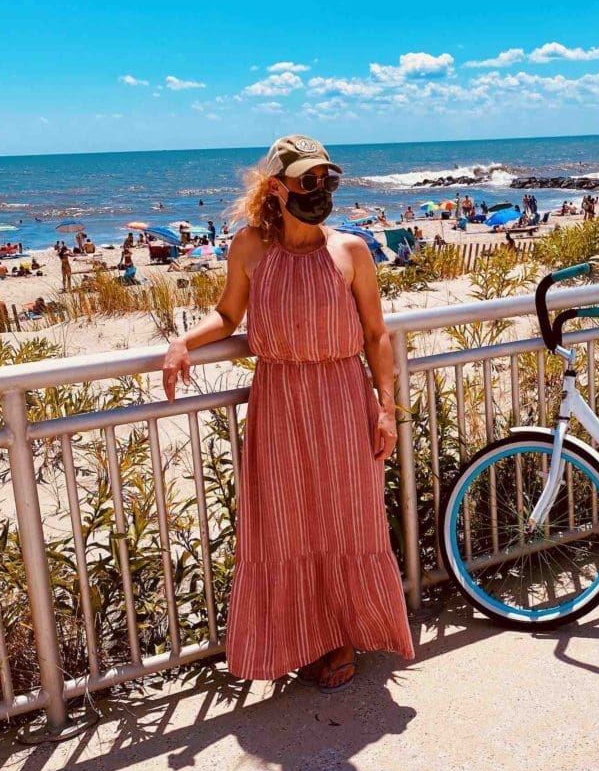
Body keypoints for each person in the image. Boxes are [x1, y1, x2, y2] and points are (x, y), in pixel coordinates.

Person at [161, 134, 414, 693]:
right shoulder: (250, 246)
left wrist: (385, 409)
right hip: (278, 402)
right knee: (284, 522)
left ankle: (344, 636)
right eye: (307, 181)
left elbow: (376, 335)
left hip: (343, 398)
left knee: (349, 517)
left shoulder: (350, 251)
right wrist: (183, 343)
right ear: (276, 187)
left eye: (327, 180)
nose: (319, 190)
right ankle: (296, 638)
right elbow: (228, 316)